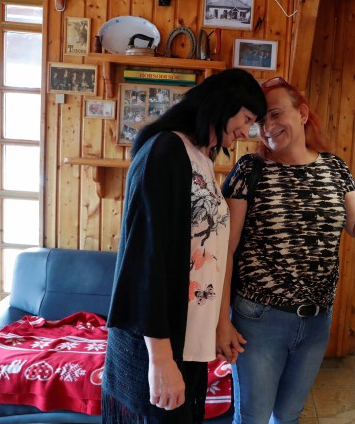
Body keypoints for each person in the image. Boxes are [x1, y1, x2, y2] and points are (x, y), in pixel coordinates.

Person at [217, 76, 355, 424]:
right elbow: (224, 250)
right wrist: (221, 323)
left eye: (276, 114)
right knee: (253, 418)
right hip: (258, 320)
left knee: (289, 416)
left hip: (317, 321)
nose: (269, 127)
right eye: (261, 122)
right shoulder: (250, 169)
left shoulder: (335, 169)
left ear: (302, 112)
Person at [102, 68, 267, 424]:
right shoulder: (166, 150)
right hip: (160, 342)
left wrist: (219, 324)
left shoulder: (201, 159)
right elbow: (146, 257)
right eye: (246, 118)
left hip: (188, 339)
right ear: (224, 102)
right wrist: (160, 360)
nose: (245, 131)